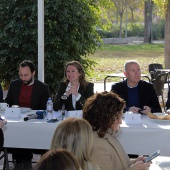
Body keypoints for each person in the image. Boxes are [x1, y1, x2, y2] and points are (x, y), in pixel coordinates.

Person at [83, 91, 152, 170]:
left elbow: (115, 163)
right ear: (104, 117)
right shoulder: (96, 145)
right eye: (117, 118)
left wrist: (134, 162)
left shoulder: (106, 134)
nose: (120, 122)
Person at [5, 60, 50, 170]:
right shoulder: (14, 85)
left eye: (26, 75)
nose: (23, 78)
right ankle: (19, 160)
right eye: (21, 75)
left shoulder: (42, 87)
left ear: (33, 73)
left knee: (26, 131)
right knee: (14, 129)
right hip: (16, 118)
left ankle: (25, 160)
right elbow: (8, 102)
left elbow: (44, 108)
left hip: (33, 120)